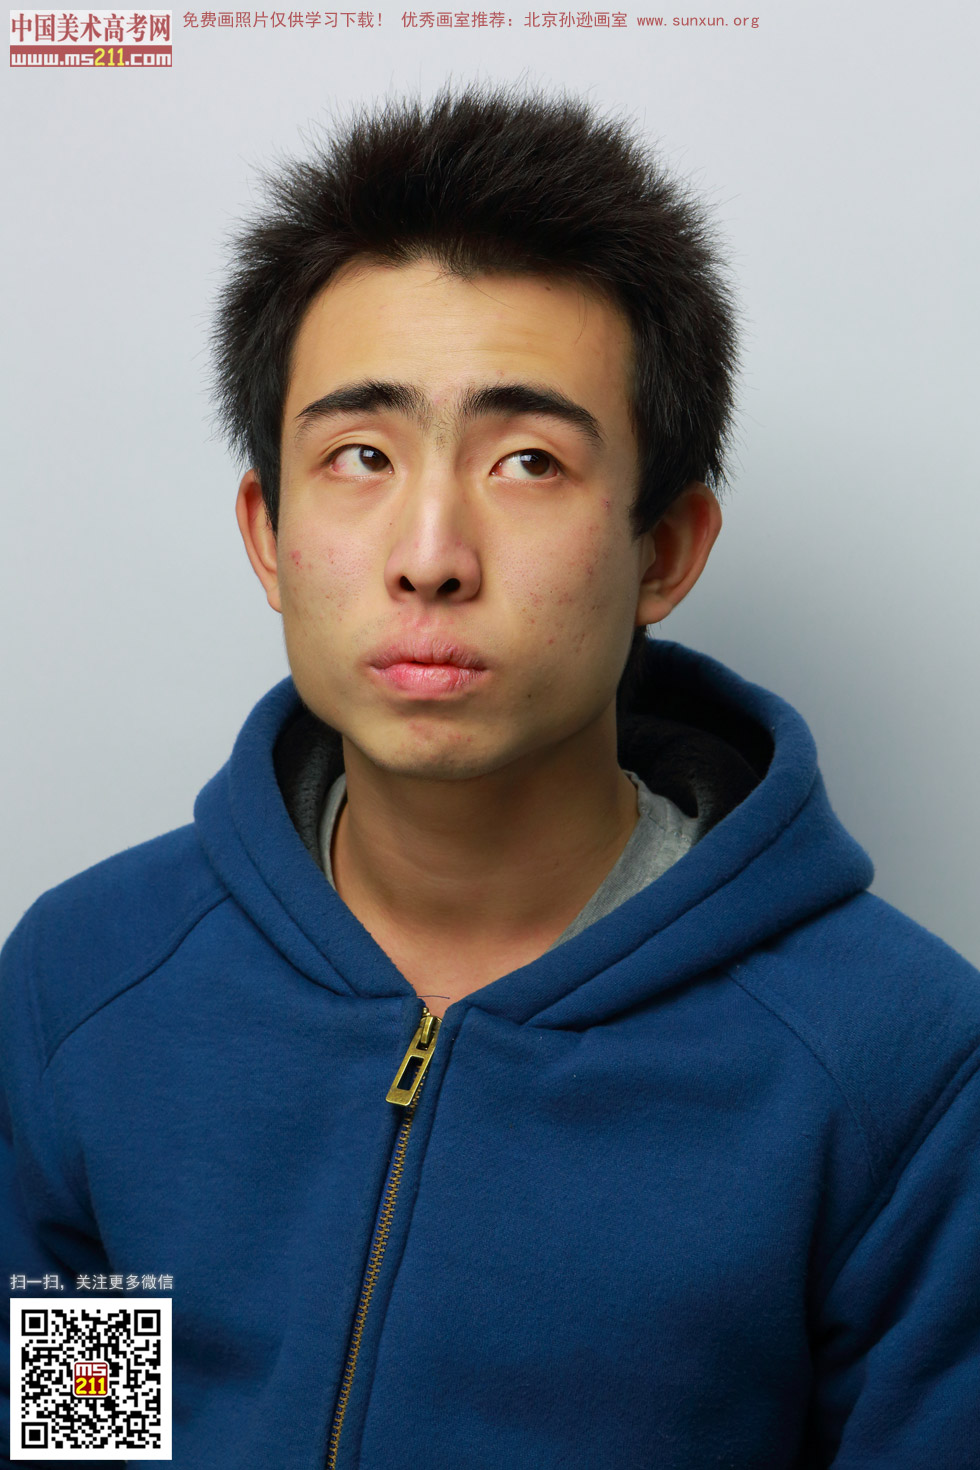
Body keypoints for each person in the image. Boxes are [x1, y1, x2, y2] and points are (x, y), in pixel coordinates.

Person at [2, 84, 979, 1469]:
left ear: (664, 549)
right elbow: (76, 1441)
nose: (431, 556)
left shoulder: (903, 1062)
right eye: (360, 456)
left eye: (528, 461)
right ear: (268, 533)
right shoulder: (86, 982)